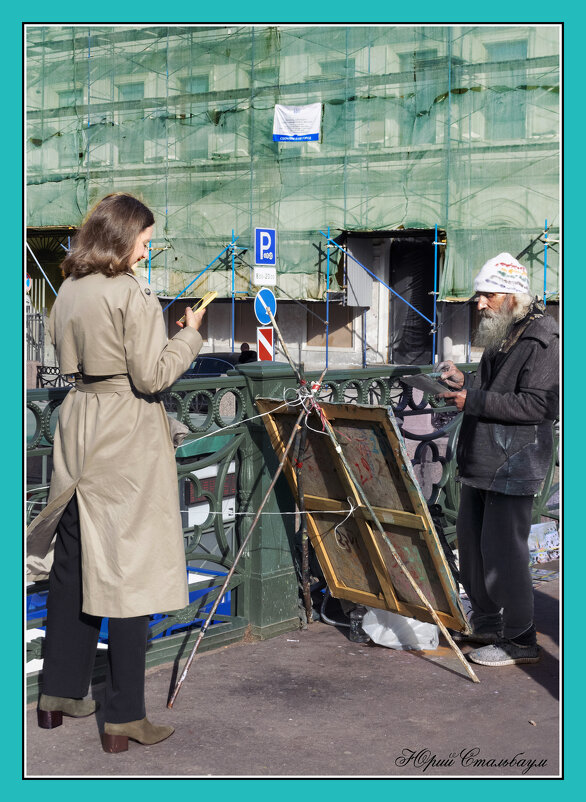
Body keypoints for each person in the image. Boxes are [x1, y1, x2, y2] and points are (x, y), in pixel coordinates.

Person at [26, 193, 206, 752]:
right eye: (145, 242)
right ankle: (124, 716)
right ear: (123, 238)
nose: (145, 252)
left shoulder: (69, 291)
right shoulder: (132, 294)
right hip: (124, 431)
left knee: (73, 568)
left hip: (78, 422)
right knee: (130, 575)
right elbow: (152, 378)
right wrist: (190, 334)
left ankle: (58, 696)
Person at [438, 252, 559, 667]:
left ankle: (521, 638)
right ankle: (487, 622)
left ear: (511, 296)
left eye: (486, 295)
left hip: (517, 460)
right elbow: (494, 390)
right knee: (472, 546)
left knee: (504, 552)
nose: (479, 303)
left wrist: (472, 398)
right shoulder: (502, 332)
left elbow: (537, 407)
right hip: (484, 455)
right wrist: (463, 382)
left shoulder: (543, 339)